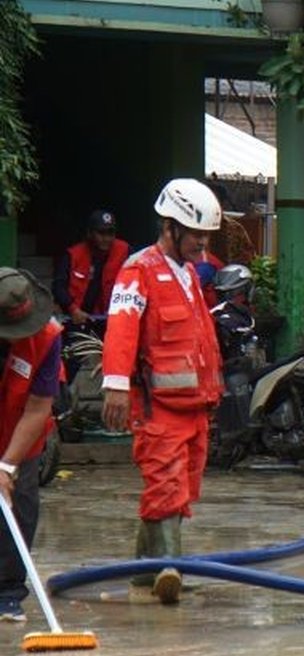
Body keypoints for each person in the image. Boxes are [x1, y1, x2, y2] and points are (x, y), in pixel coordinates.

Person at [101, 178, 225, 605]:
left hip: (194, 406)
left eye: (207, 234)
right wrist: (115, 385)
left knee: (183, 487)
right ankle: (171, 567)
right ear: (170, 227)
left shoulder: (189, 275)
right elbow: (121, 329)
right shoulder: (139, 271)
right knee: (165, 482)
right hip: (158, 406)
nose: (203, 243)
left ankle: (143, 570)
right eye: (196, 234)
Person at [0, 268, 63, 622]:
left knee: (19, 507)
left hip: (22, 430)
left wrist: (7, 465)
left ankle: (8, 593)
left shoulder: (48, 336)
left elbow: (39, 407)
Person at [53, 209, 130, 328]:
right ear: (89, 233)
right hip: (76, 319)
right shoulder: (73, 255)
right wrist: (73, 309)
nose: (106, 238)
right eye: (101, 233)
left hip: (112, 320)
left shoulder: (125, 251)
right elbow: (58, 286)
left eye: (110, 233)